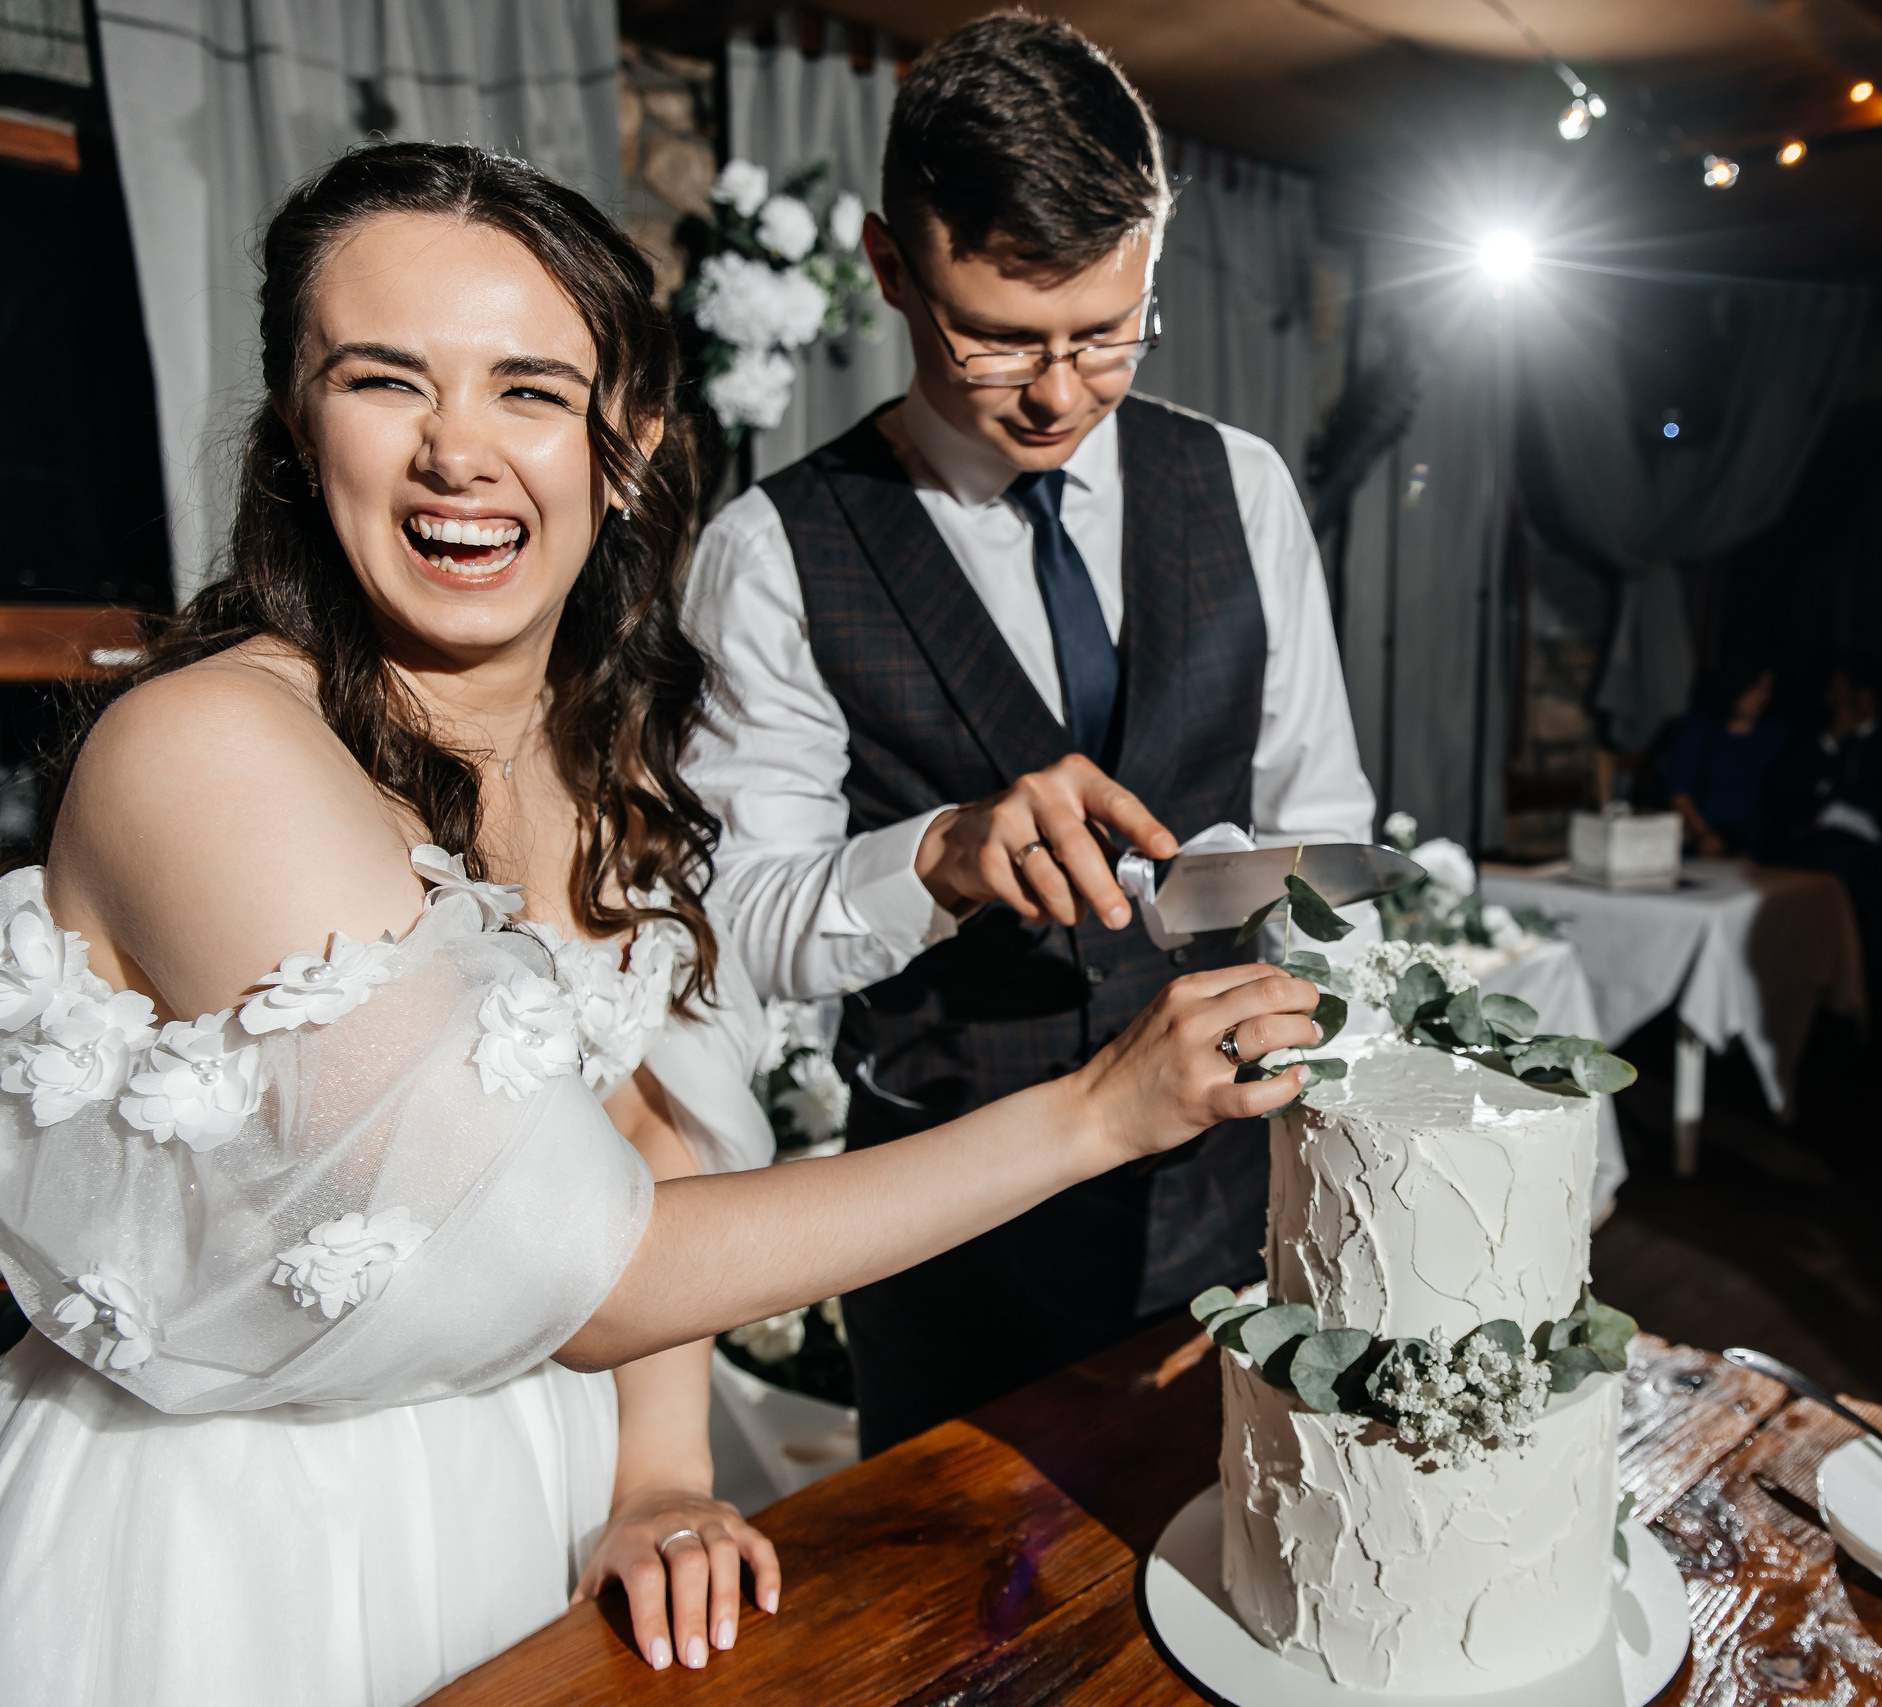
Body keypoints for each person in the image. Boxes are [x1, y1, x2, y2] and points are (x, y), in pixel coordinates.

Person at [0, 141, 1319, 1707]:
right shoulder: (209, 753)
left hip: (546, 1483)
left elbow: (645, 1117)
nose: (458, 453)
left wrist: (658, 1471)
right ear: (300, 425)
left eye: (529, 390)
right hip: (257, 1547)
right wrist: (1102, 1111)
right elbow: (578, 1257)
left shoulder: (592, 743)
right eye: (383, 382)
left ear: (623, 440)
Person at [682, 16, 1373, 1454]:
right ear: (890, 270)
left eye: (1107, 333)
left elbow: (1329, 827)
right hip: (945, 1221)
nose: (1059, 392)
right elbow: (734, 924)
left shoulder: (1238, 487)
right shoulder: (771, 550)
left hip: (1231, 1189)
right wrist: (932, 855)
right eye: (999, 336)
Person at [1767, 656, 1882, 978]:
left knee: (1835, 861)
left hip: (1877, 855)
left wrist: (1835, 804)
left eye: (1837, 693)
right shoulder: (1824, 741)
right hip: (1820, 845)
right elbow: (1786, 786)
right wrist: (1831, 740)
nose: (1829, 701)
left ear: (1864, 698)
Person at [1660, 661, 1787, 858]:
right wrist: (1703, 834)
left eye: (1767, 689)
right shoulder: (1699, 729)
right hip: (1703, 842)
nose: (1762, 696)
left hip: (1756, 846)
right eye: (1756, 687)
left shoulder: (1775, 734)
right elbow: (1679, 792)